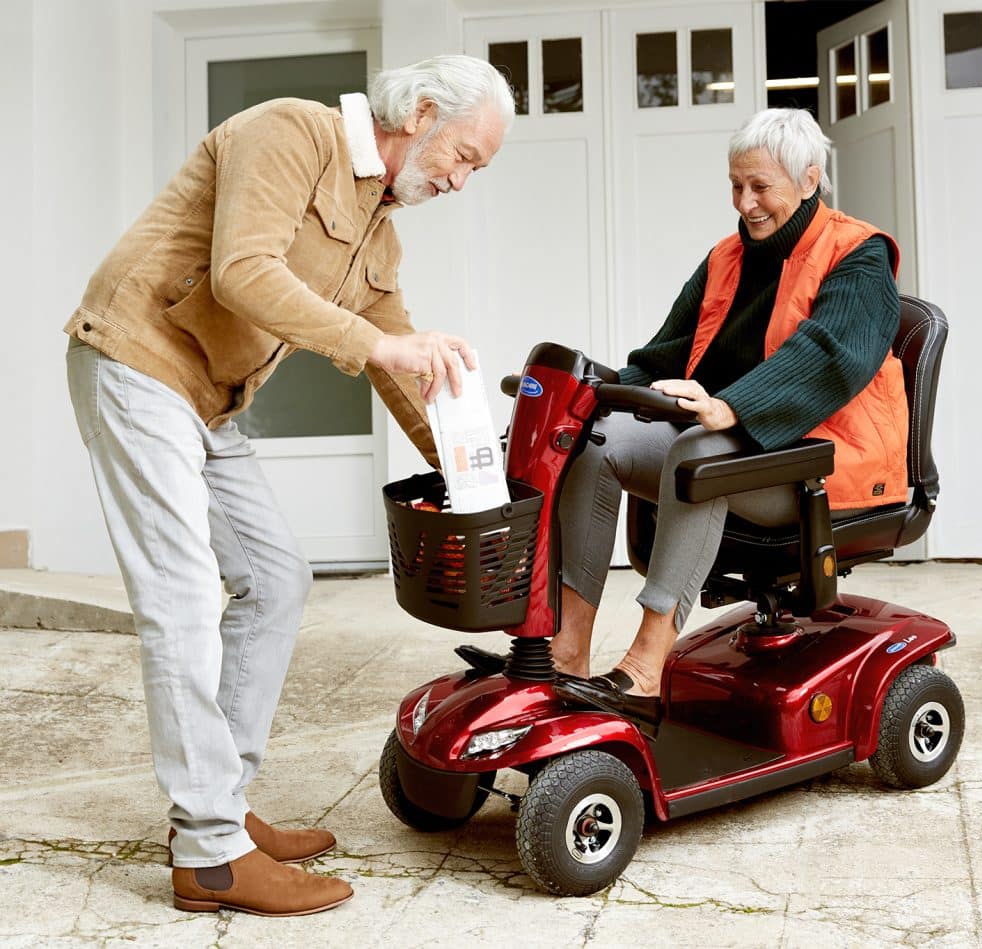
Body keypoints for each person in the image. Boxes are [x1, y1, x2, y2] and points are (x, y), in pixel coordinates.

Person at [63, 54, 515, 916]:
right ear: (420, 112)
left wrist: (475, 476)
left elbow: (397, 362)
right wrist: (381, 346)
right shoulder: (292, 131)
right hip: (136, 359)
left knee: (275, 579)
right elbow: (243, 270)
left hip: (209, 398)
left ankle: (221, 808)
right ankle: (211, 853)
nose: (463, 181)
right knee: (184, 594)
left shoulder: (379, 229)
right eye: (467, 156)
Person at [554, 108, 906, 718]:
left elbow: (831, 356)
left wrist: (730, 406)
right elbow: (666, 351)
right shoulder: (726, 257)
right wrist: (592, 398)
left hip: (817, 463)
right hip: (737, 445)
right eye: (736, 186)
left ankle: (645, 664)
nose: (745, 202)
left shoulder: (860, 255)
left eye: (761, 186)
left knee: (702, 455)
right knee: (596, 441)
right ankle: (567, 651)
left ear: (809, 179)